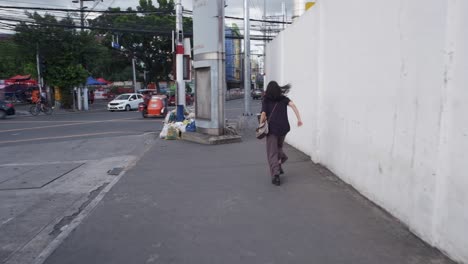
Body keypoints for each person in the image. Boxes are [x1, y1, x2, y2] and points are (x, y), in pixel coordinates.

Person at [259, 81, 303, 186]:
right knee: (278, 147)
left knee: (272, 152)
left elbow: (264, 114)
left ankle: (276, 175)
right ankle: (280, 162)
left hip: (272, 129)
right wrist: (299, 119)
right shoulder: (283, 98)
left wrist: (260, 125)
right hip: (283, 128)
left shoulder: (266, 100)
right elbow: (293, 106)